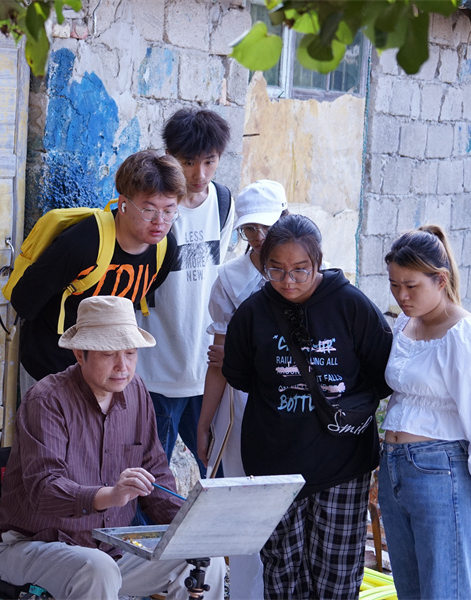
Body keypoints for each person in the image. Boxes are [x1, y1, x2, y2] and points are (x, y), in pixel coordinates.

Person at [0, 295, 226, 600]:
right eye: (109, 354)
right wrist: (110, 496)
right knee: (97, 569)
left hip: (110, 549)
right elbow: (43, 489)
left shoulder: (136, 391)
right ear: (80, 354)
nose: (122, 367)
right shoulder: (46, 400)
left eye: (130, 353)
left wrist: (194, 526)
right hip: (31, 545)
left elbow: (155, 475)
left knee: (204, 558)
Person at [222, 214, 393, 599]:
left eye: (300, 269)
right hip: (275, 467)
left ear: (318, 262)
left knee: (336, 575)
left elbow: (382, 375)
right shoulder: (252, 313)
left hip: (342, 464)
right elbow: (240, 375)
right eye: (276, 270)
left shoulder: (351, 305)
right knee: (282, 572)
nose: (288, 281)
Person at [379, 226, 471, 599]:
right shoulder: (405, 324)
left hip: (440, 473)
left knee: (444, 592)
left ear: (440, 280)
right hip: (393, 469)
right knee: (410, 590)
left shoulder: (469, 336)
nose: (401, 295)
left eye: (411, 286)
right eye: (394, 285)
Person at [11, 150, 181, 387]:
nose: (159, 222)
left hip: (109, 375)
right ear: (123, 204)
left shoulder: (166, 248)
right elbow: (24, 301)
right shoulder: (82, 244)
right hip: (51, 371)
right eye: (149, 210)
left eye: (169, 211)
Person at [195, 179, 288, 600]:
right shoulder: (230, 278)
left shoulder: (305, 271)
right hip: (242, 407)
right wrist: (205, 422)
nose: (259, 236)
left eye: (266, 226)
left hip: (292, 407)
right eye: (250, 228)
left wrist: (241, 352)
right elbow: (218, 361)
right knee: (244, 512)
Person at [134, 108, 233, 472]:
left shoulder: (224, 204)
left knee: (222, 473)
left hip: (206, 373)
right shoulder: (154, 211)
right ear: (169, 157)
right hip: (155, 373)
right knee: (150, 480)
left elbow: (217, 282)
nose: (200, 174)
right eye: (188, 162)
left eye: (209, 161)